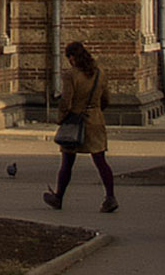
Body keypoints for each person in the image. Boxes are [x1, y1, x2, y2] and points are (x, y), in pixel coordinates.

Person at [43, 41, 116, 213]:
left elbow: (66, 100)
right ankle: (110, 197)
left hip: (75, 121)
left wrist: (62, 119)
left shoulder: (71, 75)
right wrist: (96, 111)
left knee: (67, 162)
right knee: (101, 161)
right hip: (95, 120)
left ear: (72, 58)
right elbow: (106, 99)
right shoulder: (99, 73)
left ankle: (58, 197)